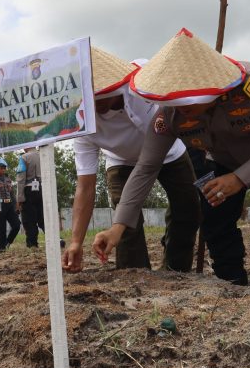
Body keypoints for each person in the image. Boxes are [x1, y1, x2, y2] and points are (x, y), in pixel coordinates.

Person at [93, 28, 250, 284]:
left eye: (190, 101)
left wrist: (240, 178)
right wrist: (118, 227)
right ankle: (231, 282)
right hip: (220, 160)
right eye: (175, 101)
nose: (183, 110)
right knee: (215, 221)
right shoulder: (168, 115)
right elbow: (146, 168)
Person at [62, 47, 200, 273]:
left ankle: (176, 271)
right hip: (121, 161)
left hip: (169, 152)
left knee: (189, 210)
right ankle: (135, 276)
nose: (95, 106)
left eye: (101, 95)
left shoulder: (144, 76)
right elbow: (85, 186)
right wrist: (76, 241)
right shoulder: (83, 125)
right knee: (126, 223)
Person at [0, 157, 21, 251]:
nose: (3, 170)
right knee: (1, 229)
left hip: (10, 205)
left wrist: (16, 205)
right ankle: (1, 249)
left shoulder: (8, 179)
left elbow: (12, 193)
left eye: (4, 168)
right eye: (1, 168)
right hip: (0, 206)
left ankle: (7, 242)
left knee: (17, 225)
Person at [16, 147, 44, 248]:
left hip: (28, 189)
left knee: (29, 219)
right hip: (42, 189)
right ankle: (56, 239)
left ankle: (32, 244)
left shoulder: (24, 157)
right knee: (43, 217)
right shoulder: (43, 154)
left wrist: (19, 199)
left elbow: (20, 179)